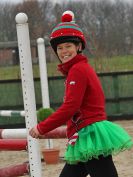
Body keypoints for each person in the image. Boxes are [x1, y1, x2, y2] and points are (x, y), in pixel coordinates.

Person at [29, 10, 133, 177]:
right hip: (84, 134)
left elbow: (71, 106)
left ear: (78, 47)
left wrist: (42, 127)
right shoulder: (78, 69)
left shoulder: (77, 70)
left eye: (68, 46)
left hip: (89, 134)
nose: (64, 51)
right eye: (60, 48)